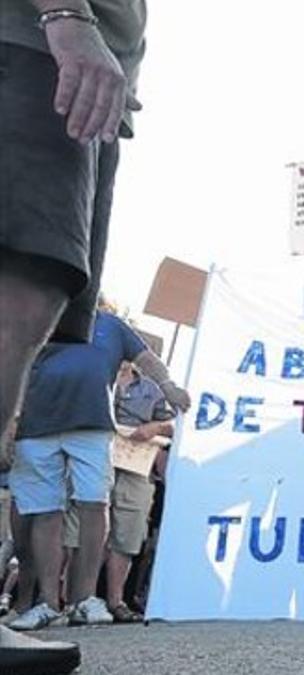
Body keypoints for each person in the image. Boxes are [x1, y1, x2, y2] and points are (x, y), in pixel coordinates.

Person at [1, 1, 148, 671]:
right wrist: (65, 15)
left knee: (25, 310)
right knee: (15, 303)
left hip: (76, 74)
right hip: (40, 54)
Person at [7, 308, 188, 631]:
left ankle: (85, 599)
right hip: (36, 426)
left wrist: (168, 386)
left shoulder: (112, 324)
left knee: (95, 503)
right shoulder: (40, 309)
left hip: (92, 425)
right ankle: (48, 603)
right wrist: (9, 421)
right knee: (46, 510)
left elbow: (147, 359)